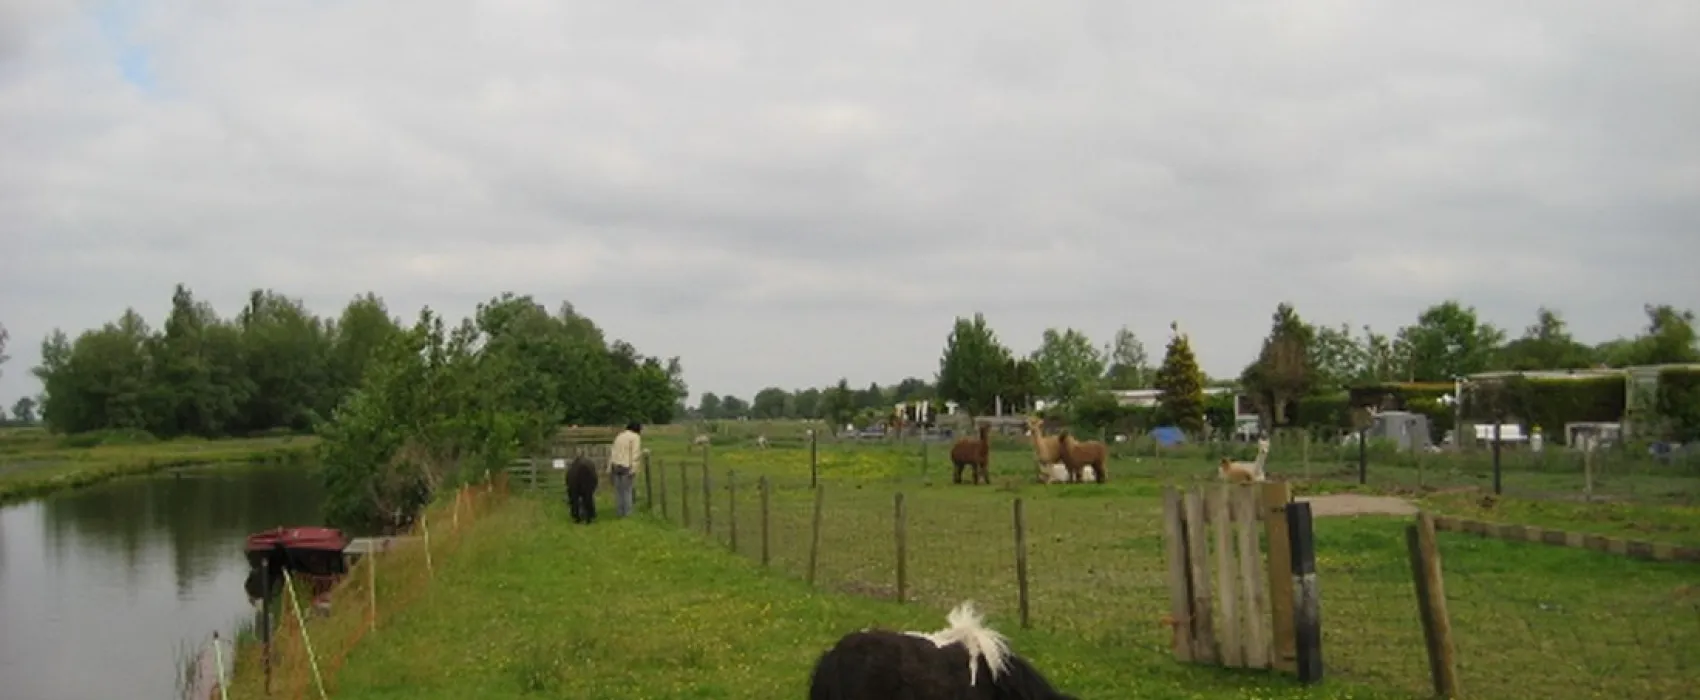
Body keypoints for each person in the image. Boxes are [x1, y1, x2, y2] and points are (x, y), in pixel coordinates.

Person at [609, 421, 644, 517]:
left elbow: (613, 451)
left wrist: (610, 468)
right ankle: (628, 513)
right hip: (626, 466)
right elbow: (635, 454)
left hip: (615, 465)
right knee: (627, 491)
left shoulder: (619, 436)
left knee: (619, 491)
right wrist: (634, 469)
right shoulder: (635, 437)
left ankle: (619, 512)